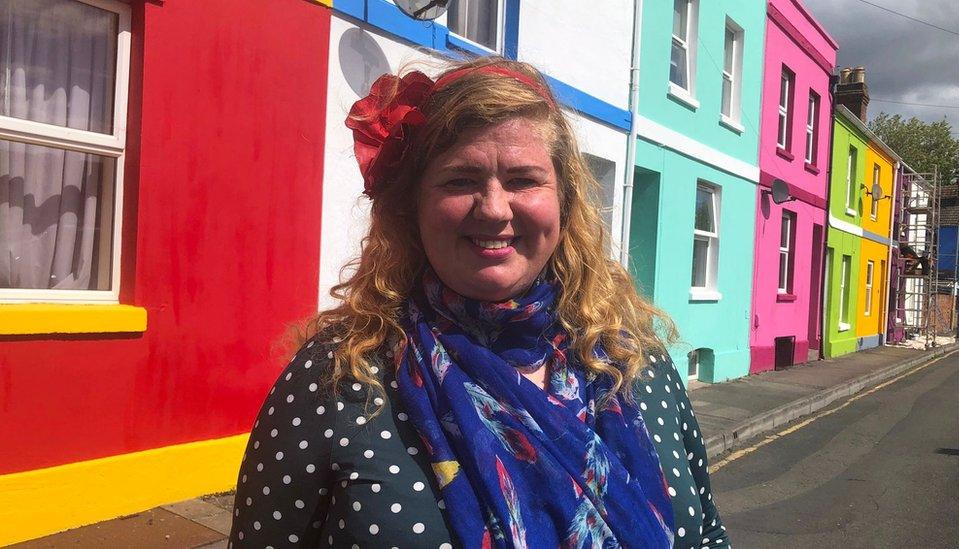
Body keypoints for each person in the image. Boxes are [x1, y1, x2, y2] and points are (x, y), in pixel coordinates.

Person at [230, 57, 729, 548]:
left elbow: (706, 535)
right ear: (414, 207)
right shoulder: (339, 375)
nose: (493, 208)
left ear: (564, 201)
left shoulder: (635, 363)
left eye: (523, 180)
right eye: (460, 180)